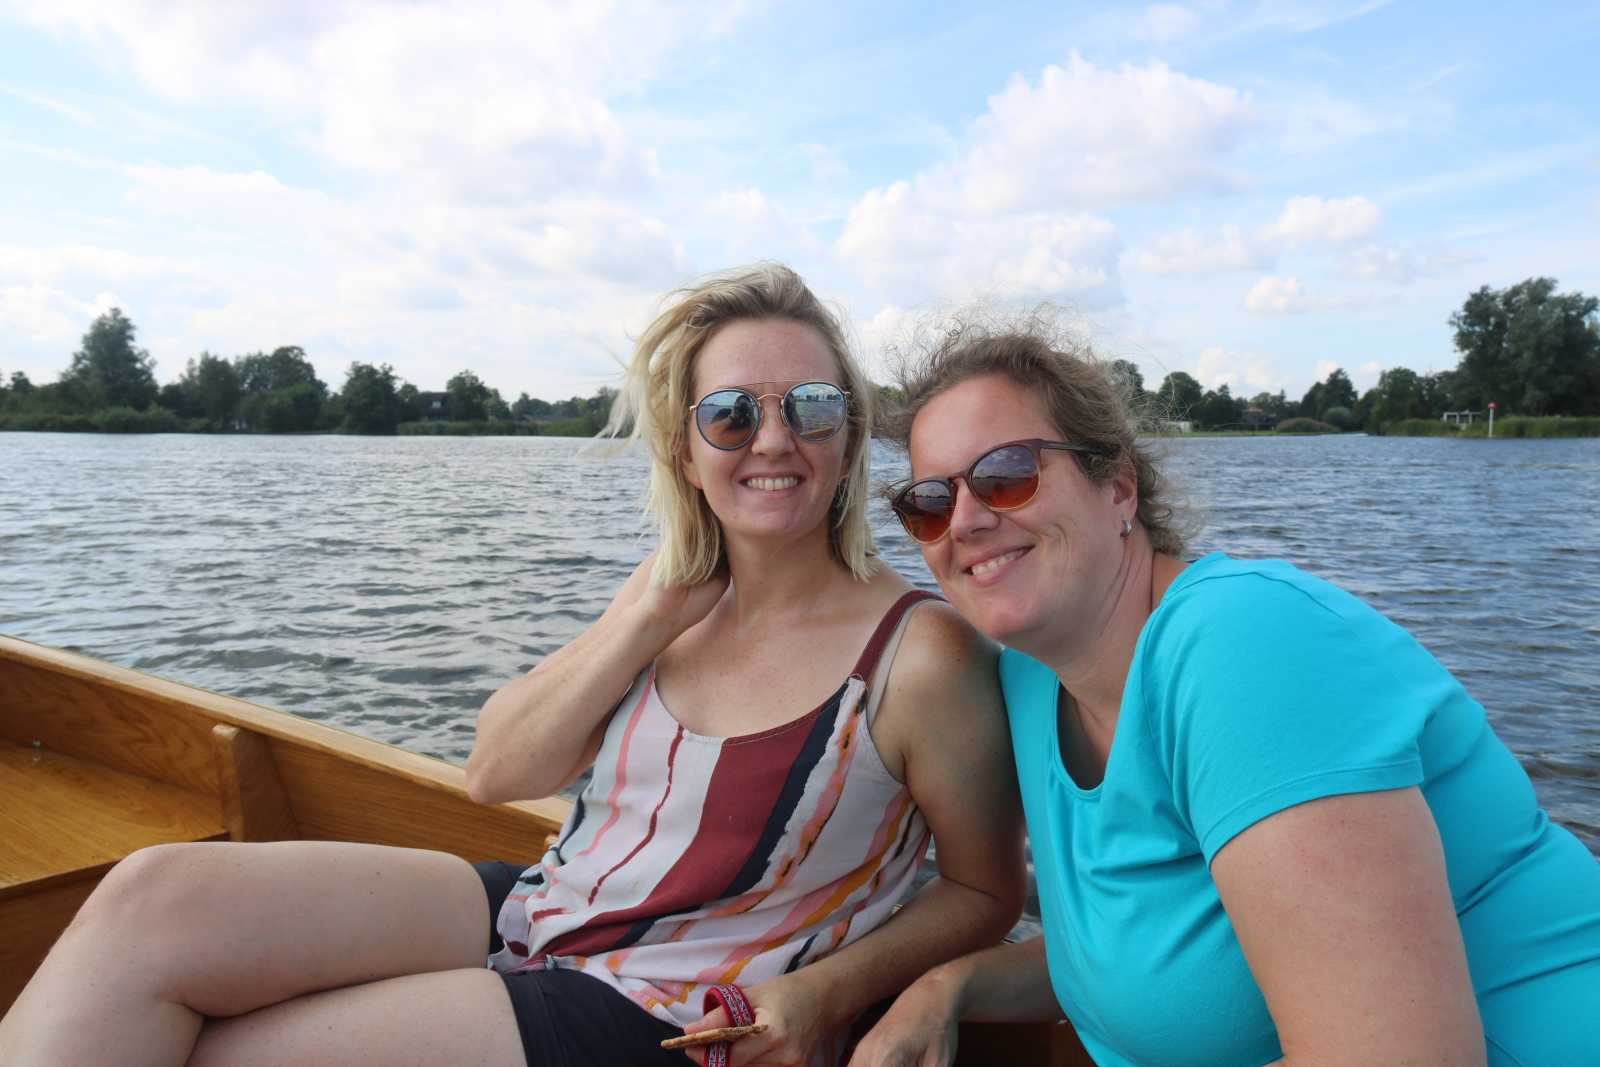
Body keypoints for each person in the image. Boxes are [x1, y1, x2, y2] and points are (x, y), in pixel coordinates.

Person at [0, 266, 1025, 1067]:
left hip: (675, 1008)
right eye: (730, 414)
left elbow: (982, 888)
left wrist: (829, 991)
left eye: (809, 406)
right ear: (683, 448)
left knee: (223, 1053)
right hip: (546, 905)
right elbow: (497, 770)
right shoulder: (664, 597)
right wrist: (651, 612)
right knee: (156, 895)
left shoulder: (918, 652)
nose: (773, 439)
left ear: (847, 437)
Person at [850, 320, 1600, 1067]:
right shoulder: (1029, 680)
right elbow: (1150, 969)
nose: (966, 520)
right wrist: (945, 990)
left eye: (1007, 473)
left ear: (1118, 486)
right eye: (929, 502)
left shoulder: (1242, 643)